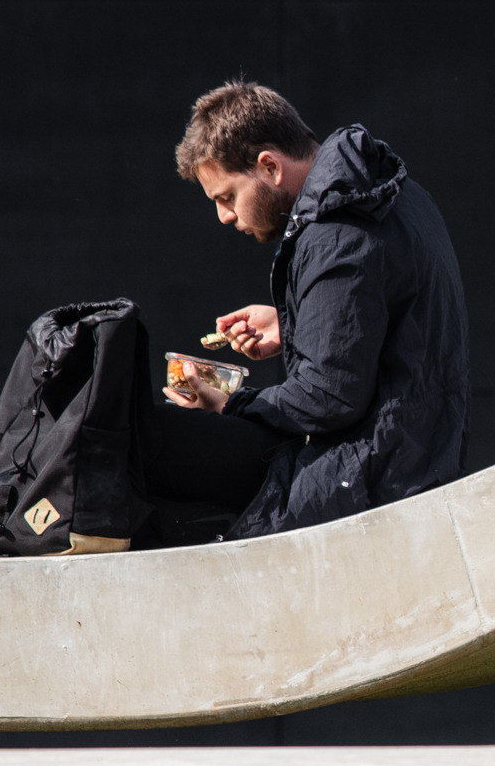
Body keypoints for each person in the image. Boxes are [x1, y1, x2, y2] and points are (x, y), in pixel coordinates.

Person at [151, 80, 471, 541]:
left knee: (161, 454)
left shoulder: (336, 234)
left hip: (374, 484)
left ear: (269, 166)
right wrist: (296, 321)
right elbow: (389, 319)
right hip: (420, 458)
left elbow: (329, 397)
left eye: (227, 196)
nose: (224, 216)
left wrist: (231, 405)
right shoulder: (387, 195)